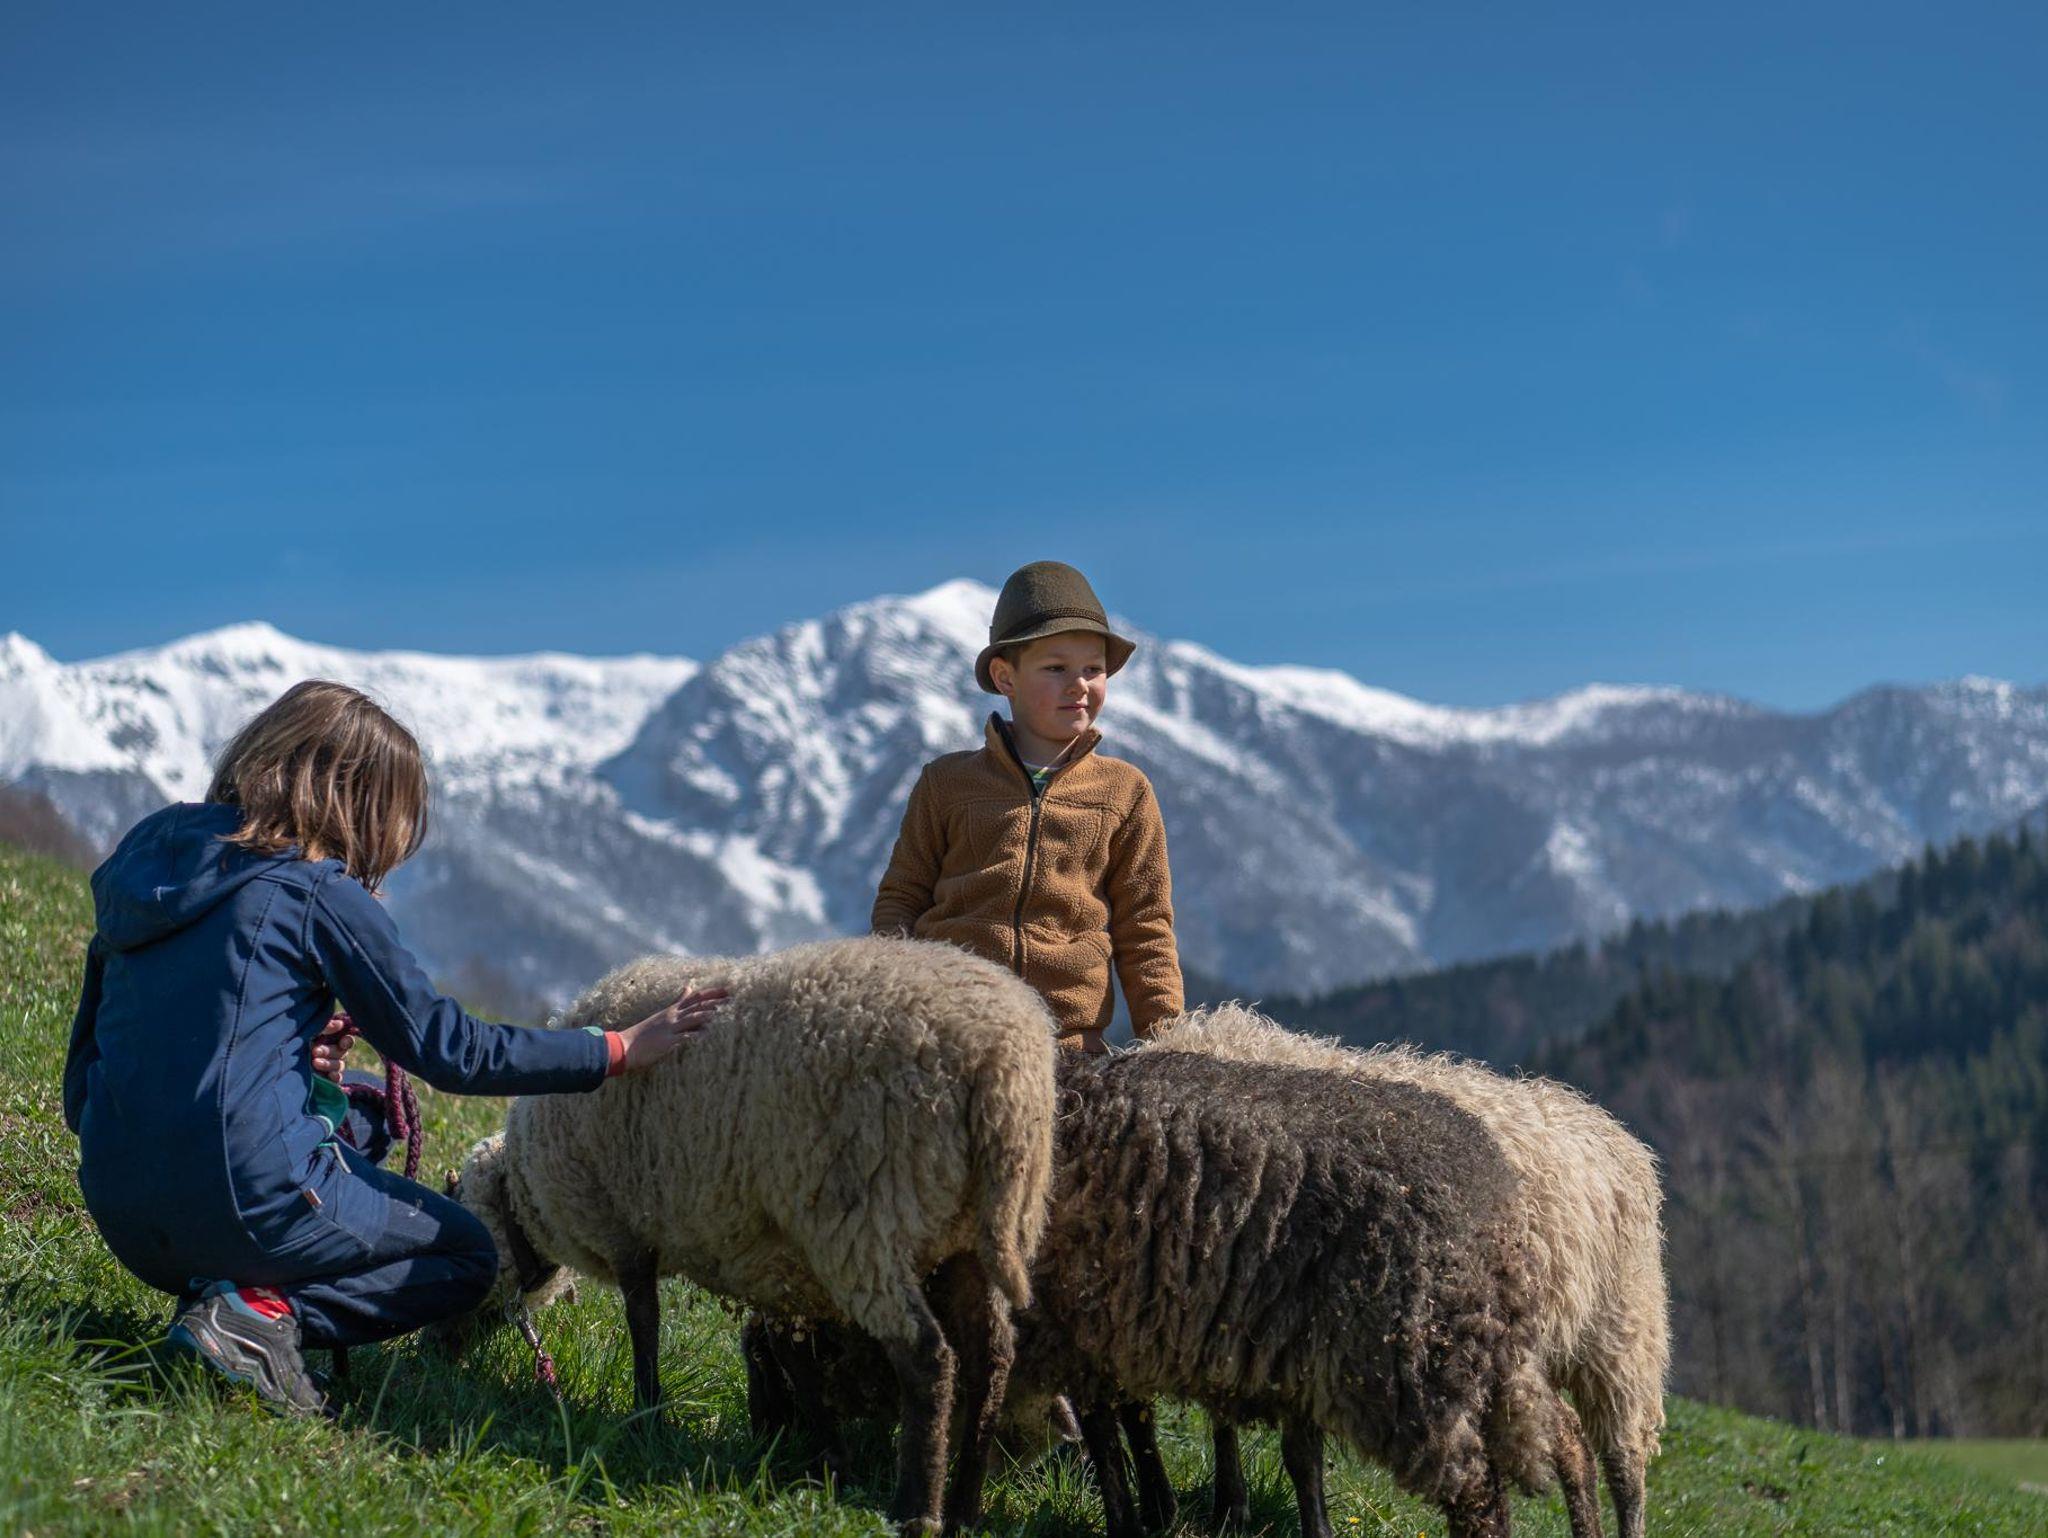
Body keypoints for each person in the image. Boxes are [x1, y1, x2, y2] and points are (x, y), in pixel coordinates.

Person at [61, 679, 727, 1416]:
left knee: (369, 1115)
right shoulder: (315, 891)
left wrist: (284, 1063)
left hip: (123, 1212)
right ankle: (259, 1317)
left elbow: (83, 1079)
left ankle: (231, 1301)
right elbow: (449, 1049)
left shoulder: (146, 874)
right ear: (360, 801)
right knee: (464, 1254)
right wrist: (615, 1049)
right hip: (239, 1201)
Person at [871, 560, 1183, 1052]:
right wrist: (895, 1007)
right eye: (1055, 668)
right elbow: (902, 899)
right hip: (948, 1032)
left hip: (1069, 1044)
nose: (1078, 684)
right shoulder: (946, 782)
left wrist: (1169, 1045)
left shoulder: (1126, 791)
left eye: (1093, 669)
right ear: (1005, 677)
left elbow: (1145, 928)